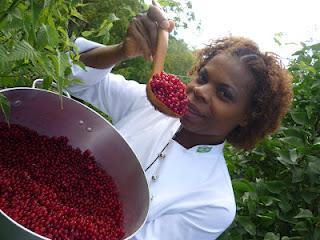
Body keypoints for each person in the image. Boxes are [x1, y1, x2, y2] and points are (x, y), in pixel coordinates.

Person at [67, 3, 293, 239]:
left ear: (248, 116)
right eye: (203, 77)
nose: (201, 91)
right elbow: (73, 78)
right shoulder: (149, 105)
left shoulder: (213, 202)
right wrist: (122, 51)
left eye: (224, 94)